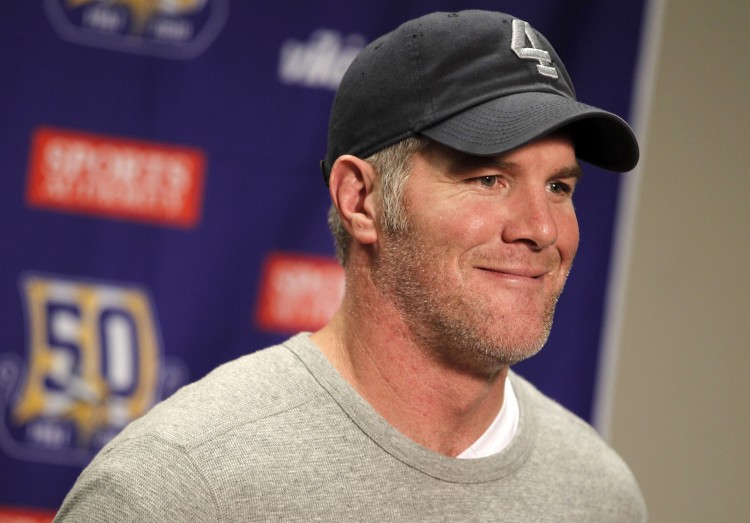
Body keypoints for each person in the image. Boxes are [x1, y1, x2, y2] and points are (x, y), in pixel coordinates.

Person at [55, 10, 646, 522]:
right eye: (489, 179)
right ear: (360, 200)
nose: (541, 229)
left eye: (560, 187)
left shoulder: (598, 493)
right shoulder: (178, 485)